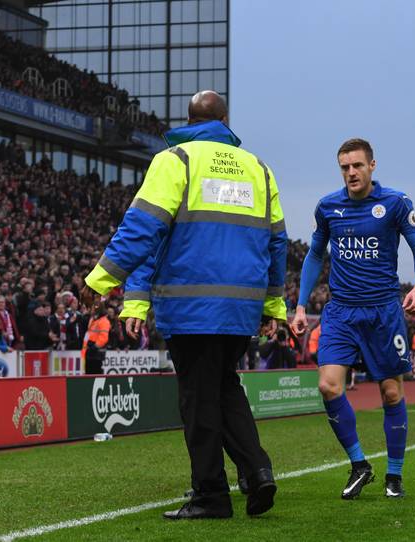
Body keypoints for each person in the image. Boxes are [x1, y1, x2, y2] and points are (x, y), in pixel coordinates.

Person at [81, 91, 284, 519]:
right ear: (225, 120)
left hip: (191, 307)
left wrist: (101, 280)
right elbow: (278, 243)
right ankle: (257, 471)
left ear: (187, 119)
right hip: (240, 309)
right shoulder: (260, 170)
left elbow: (143, 230)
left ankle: (212, 494)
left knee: (199, 401)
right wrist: (273, 307)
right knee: (224, 388)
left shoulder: (176, 160)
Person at [290, 138, 415, 500]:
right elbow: (314, 256)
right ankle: (359, 464)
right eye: (344, 167)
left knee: (390, 391)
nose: (351, 172)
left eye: (357, 165)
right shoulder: (328, 207)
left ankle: (394, 474)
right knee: (328, 386)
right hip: (340, 312)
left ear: (372, 165)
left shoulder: (395, 203)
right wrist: (302, 305)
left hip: (383, 311)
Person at [81, 304, 110, 375]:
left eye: (93, 309)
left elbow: (104, 338)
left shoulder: (103, 321)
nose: (91, 310)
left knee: (94, 375)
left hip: (96, 353)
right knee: (89, 374)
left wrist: (94, 347)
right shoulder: (94, 320)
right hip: (90, 353)